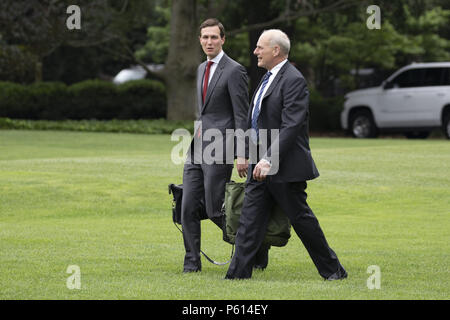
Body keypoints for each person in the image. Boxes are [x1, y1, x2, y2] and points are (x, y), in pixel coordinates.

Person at [225, 29, 347, 280]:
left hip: (284, 167)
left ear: (276, 50)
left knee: (302, 220)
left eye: (260, 47)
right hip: (260, 166)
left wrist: (269, 159)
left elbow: (291, 126)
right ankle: (236, 276)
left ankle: (334, 271)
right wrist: (247, 153)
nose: (255, 51)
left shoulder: (293, 80)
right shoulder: (267, 77)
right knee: (249, 220)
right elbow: (255, 119)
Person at [181, 18, 252, 273]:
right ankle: (191, 264)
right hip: (196, 149)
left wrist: (242, 152)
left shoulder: (235, 71)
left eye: (214, 37)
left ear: (223, 39)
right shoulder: (201, 69)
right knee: (186, 207)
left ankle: (253, 247)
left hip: (221, 150)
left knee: (214, 210)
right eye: (205, 37)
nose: (209, 42)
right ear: (200, 40)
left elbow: (242, 116)